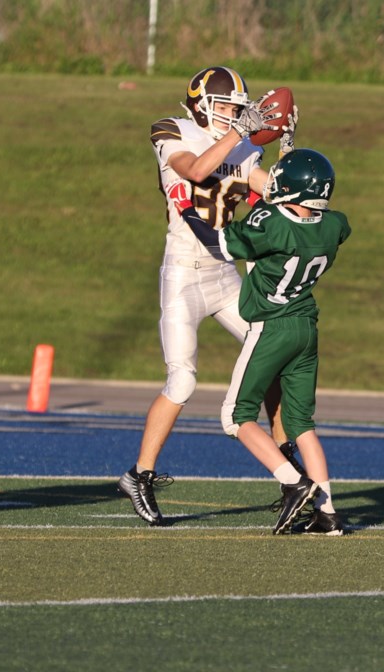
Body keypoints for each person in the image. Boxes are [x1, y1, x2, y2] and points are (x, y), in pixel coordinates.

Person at [118, 65, 300, 526]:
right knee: (182, 381)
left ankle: (288, 470)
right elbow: (196, 169)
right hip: (182, 274)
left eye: (240, 109)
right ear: (199, 104)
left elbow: (278, 193)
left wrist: (286, 148)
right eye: (227, 107)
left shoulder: (240, 146)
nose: (235, 115)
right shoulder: (172, 131)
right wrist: (241, 135)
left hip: (224, 275)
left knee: (273, 355)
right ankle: (139, 475)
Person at [182, 148, 350, 535]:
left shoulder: (273, 223)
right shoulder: (335, 225)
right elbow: (301, 216)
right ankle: (328, 512)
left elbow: (221, 244)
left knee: (235, 416)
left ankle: (293, 482)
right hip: (306, 327)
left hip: (271, 326)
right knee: (302, 423)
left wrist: (187, 211)